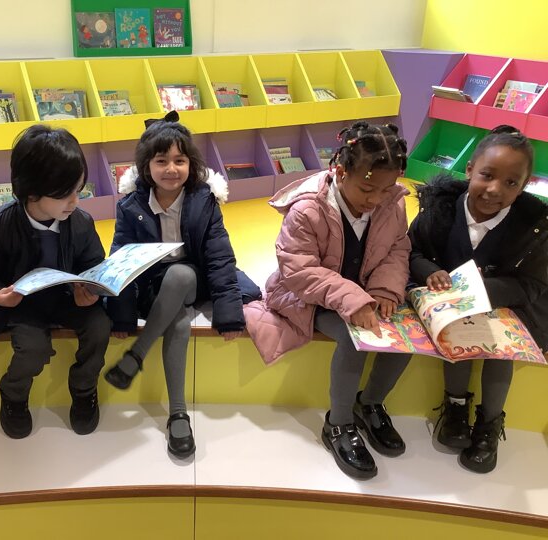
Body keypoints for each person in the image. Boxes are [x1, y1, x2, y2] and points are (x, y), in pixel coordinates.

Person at [244, 121, 412, 479]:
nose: (376, 199)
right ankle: (338, 423)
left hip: (364, 293)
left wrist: (383, 291)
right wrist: (353, 300)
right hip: (308, 299)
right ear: (340, 171)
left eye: (386, 189)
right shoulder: (308, 209)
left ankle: (370, 403)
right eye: (367, 188)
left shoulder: (392, 204)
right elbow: (299, 270)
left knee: (406, 334)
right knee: (355, 339)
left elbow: (397, 250)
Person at [104, 113, 260, 458]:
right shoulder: (131, 206)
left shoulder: (203, 201)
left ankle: (138, 353)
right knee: (177, 321)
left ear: (192, 164)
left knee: (180, 275)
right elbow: (121, 261)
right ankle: (178, 413)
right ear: (146, 167)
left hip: (194, 279)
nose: (171, 169)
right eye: (161, 161)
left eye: (179, 160)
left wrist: (228, 316)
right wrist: (121, 315)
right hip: (153, 286)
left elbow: (219, 257)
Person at [408, 125, 548, 473]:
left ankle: (489, 423)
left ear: (524, 186)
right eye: (487, 175)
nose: (495, 189)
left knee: (501, 348)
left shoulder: (534, 226)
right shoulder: (439, 209)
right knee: (454, 331)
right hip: (446, 307)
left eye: (511, 183)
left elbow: (534, 284)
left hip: (508, 307)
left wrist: (482, 290)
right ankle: (455, 407)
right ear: (469, 169)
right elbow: (411, 252)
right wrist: (430, 272)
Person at [0, 125, 110, 439]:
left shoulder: (80, 222)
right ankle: (13, 394)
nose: (75, 201)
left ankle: (84, 388)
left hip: (66, 300)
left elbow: (93, 265)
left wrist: (90, 291)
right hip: (22, 306)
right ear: (31, 192)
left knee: (100, 328)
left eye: (79, 190)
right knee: (33, 349)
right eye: (64, 194)